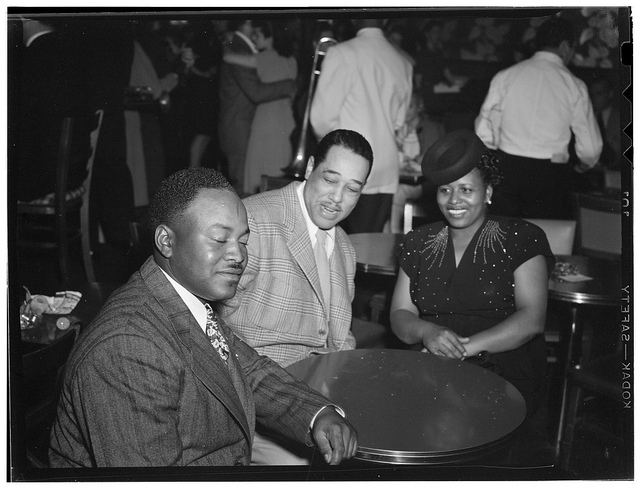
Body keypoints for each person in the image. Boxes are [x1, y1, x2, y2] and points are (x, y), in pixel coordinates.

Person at [49, 168, 358, 468]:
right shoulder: (127, 347)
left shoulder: (184, 297)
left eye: (243, 240)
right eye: (220, 239)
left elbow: (249, 372)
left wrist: (318, 413)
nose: (238, 256)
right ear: (166, 242)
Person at [220, 129, 372, 464]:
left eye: (352, 189)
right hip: (256, 408)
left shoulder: (344, 247)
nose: (337, 198)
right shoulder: (254, 221)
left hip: (320, 402)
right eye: (330, 180)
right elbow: (212, 327)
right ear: (310, 167)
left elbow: (340, 338)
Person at [389, 130, 554, 418]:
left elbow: (532, 320)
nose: (454, 200)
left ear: (487, 192)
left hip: (502, 368)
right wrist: (427, 332)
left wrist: (460, 350)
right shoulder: (418, 241)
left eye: (466, 189)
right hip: (429, 366)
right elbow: (399, 314)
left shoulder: (521, 237)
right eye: (445, 189)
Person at [474, 16, 602, 219]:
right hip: (550, 176)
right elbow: (590, 148)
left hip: (507, 170)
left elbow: (482, 131)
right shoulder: (574, 85)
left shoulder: (505, 76)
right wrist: (586, 163)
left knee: (503, 240)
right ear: (565, 46)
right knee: (545, 239)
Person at [310, 18, 412, 233]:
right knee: (366, 245)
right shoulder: (403, 62)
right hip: (386, 168)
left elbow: (320, 120)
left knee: (337, 246)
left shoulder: (342, 53)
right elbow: (399, 121)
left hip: (347, 168)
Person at [218, 20, 296, 192]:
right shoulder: (290, 58)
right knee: (276, 177)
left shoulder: (264, 57)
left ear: (271, 36)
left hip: (265, 124)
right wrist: (290, 86)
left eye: (258, 34)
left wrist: (226, 42)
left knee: (257, 179)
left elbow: (227, 57)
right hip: (284, 121)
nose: (254, 36)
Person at [389, 90, 445, 233]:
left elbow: (430, 159)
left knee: (397, 192)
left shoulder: (430, 128)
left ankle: (395, 233)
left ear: (419, 107)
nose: (405, 111)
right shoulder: (397, 128)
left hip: (425, 182)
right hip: (400, 177)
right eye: (402, 106)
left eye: (410, 106)